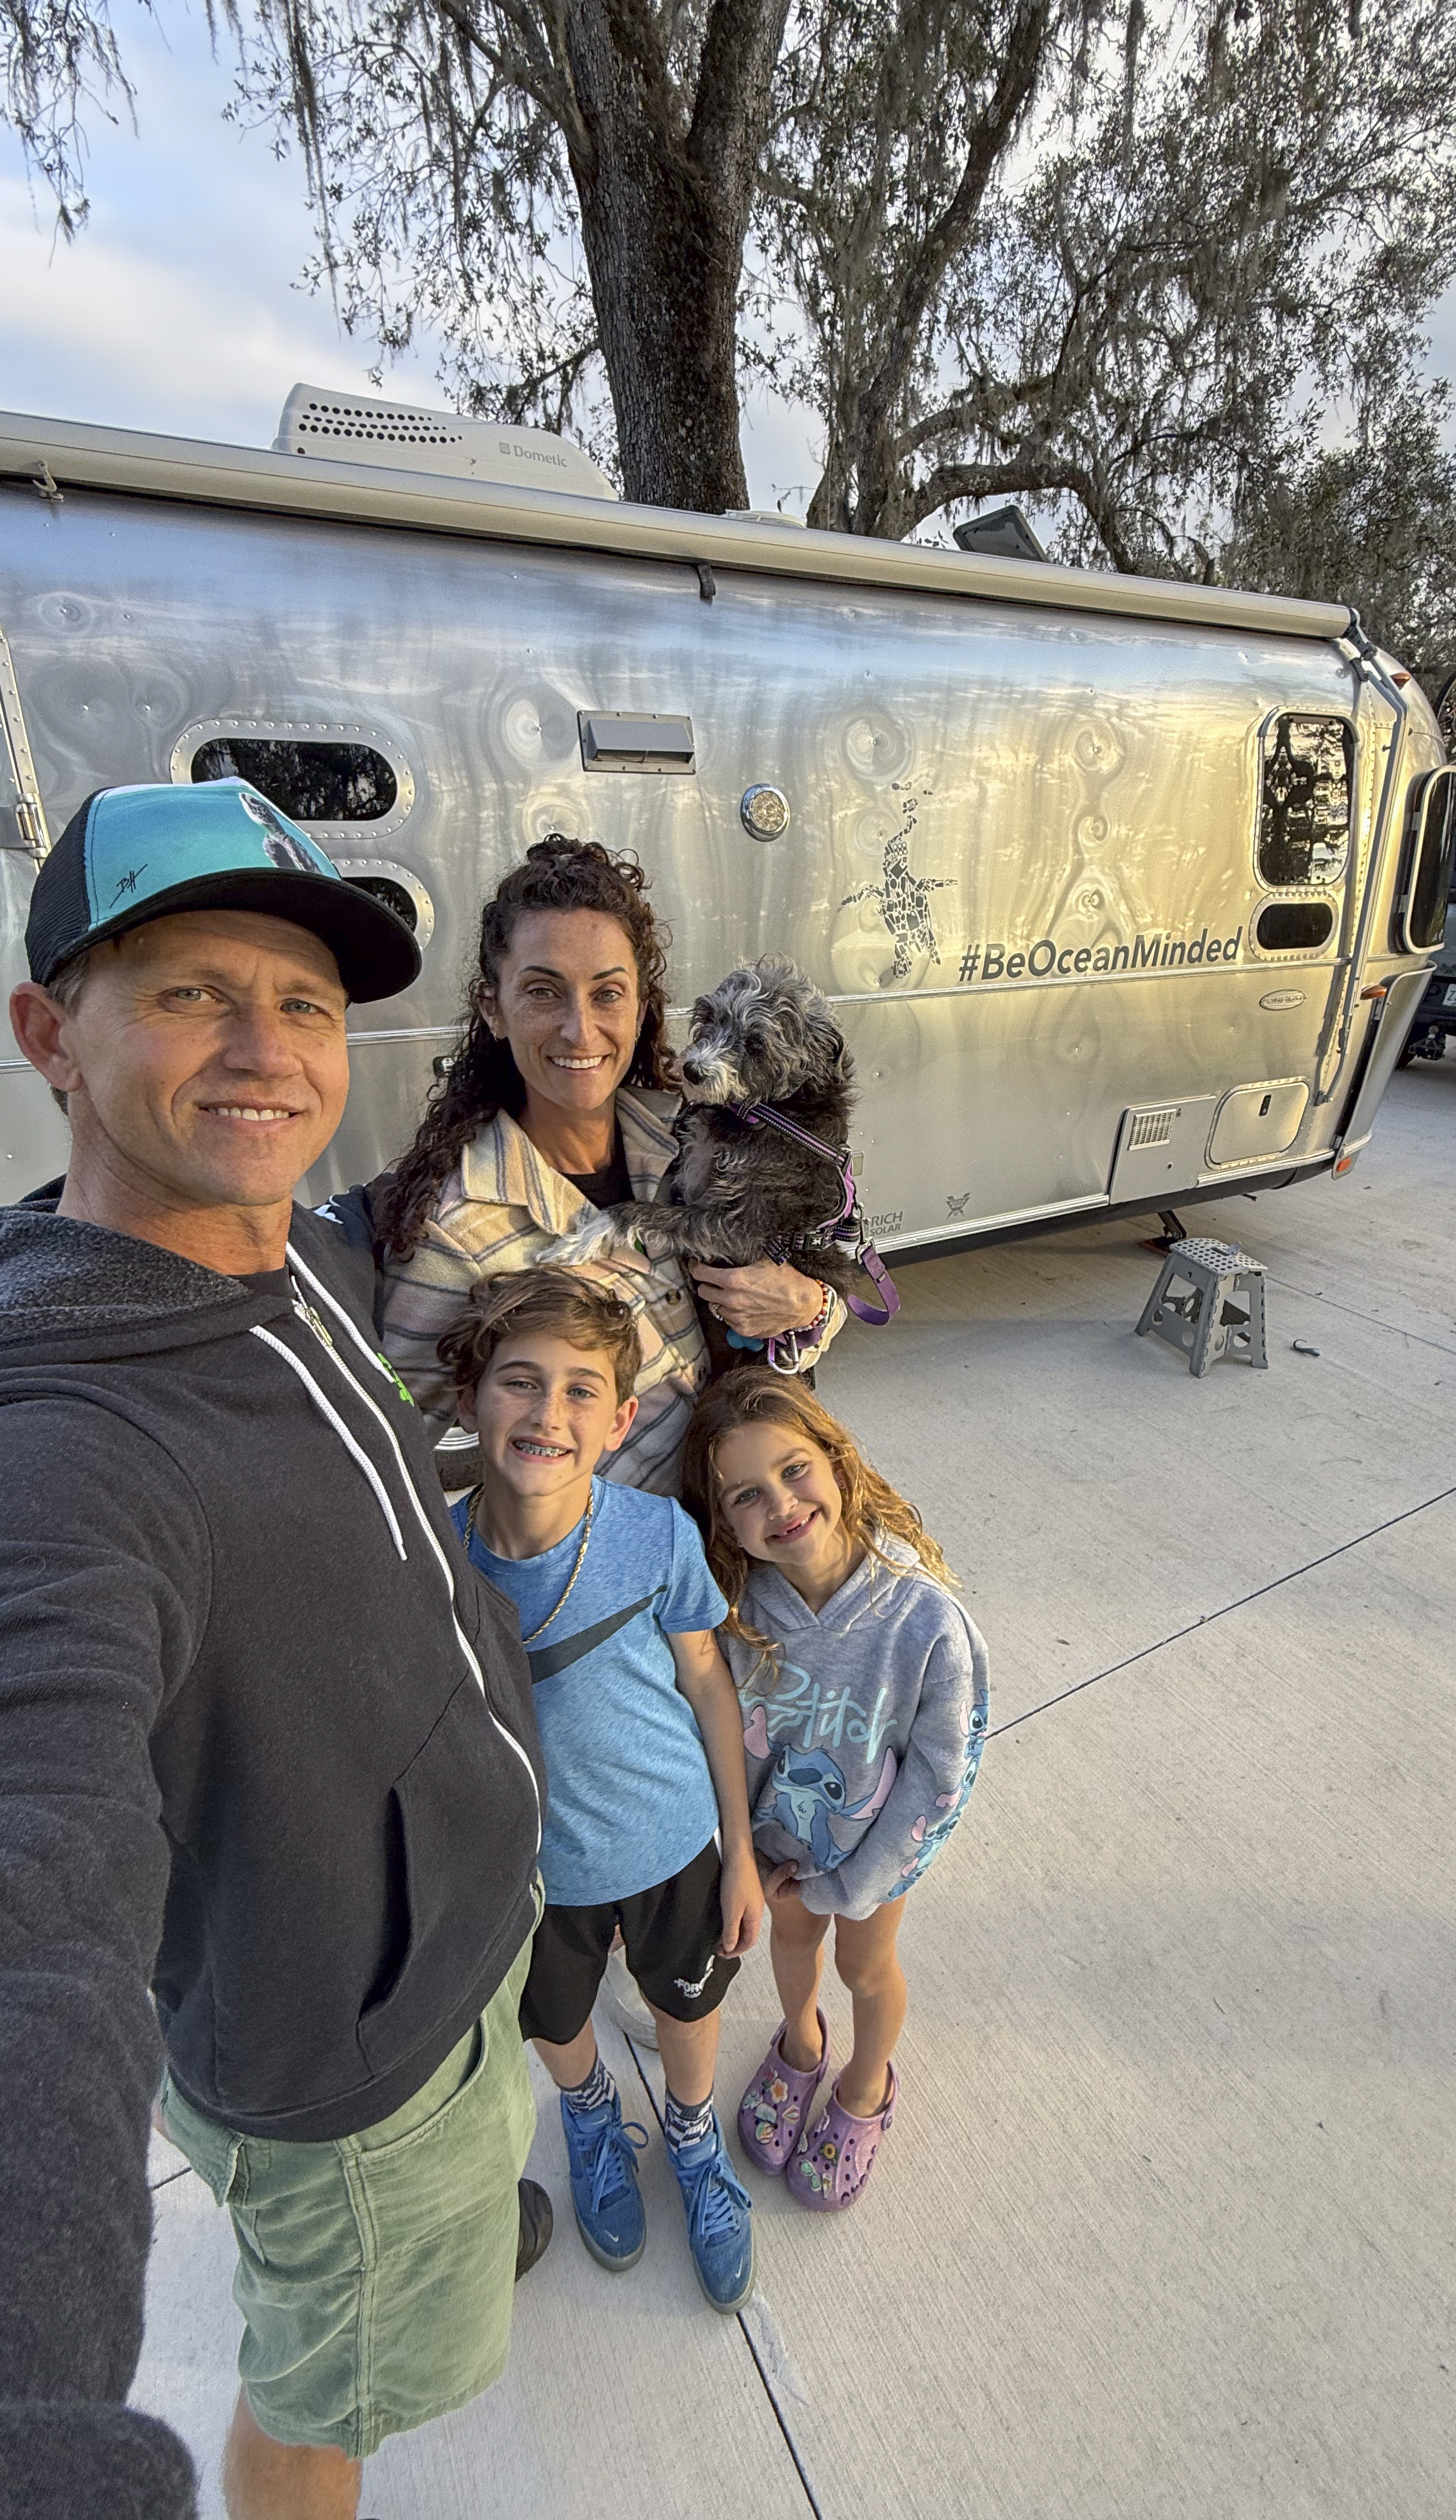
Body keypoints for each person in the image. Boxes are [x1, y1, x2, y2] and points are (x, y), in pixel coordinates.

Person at [0, 780, 547, 2520]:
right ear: (50, 1034)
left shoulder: (278, 1249)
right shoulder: (39, 1452)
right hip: (354, 2085)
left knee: (372, 2302)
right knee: (328, 2399)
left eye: (303, 1001)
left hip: (432, 1957)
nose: (266, 1050)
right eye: (193, 991)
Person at [439, 1264, 767, 2309]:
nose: (548, 1412)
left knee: (687, 2001)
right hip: (531, 1873)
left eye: (581, 1388)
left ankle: (686, 2131)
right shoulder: (434, 1561)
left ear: (621, 1416)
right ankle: (586, 2116)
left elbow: (708, 1684)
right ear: (468, 1399)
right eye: (518, 1381)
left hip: (671, 1842)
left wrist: (740, 1851)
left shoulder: (652, 1534)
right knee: (555, 2012)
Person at [354, 834, 844, 1495]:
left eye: (607, 993)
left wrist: (808, 1306)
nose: (580, 1031)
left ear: (643, 1006)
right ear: (492, 1008)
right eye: (542, 992)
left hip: (763, 1510)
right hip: (634, 1564)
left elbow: (826, 1266)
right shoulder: (455, 1228)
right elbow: (400, 1460)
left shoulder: (693, 1127)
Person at [681, 1368, 989, 2213]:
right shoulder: (739, 1611)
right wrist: (739, 1851)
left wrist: (858, 1883)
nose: (778, 1504)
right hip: (781, 1856)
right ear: (726, 1527)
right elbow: (723, 1739)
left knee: (864, 1964)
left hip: (869, 1864)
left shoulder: (924, 1620)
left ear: (837, 1461)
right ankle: (801, 2043)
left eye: (792, 1469)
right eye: (745, 1496)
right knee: (788, 1950)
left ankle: (863, 2083)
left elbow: (942, 1772)